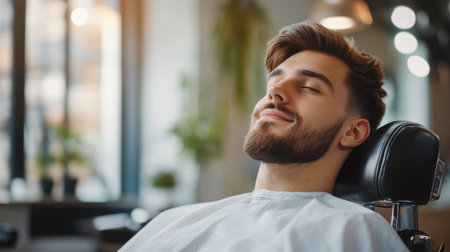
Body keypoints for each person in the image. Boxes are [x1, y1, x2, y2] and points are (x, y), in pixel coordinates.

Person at [119, 21, 409, 251]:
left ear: (353, 131)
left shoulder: (354, 230)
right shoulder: (176, 220)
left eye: (308, 86)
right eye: (274, 81)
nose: (275, 92)